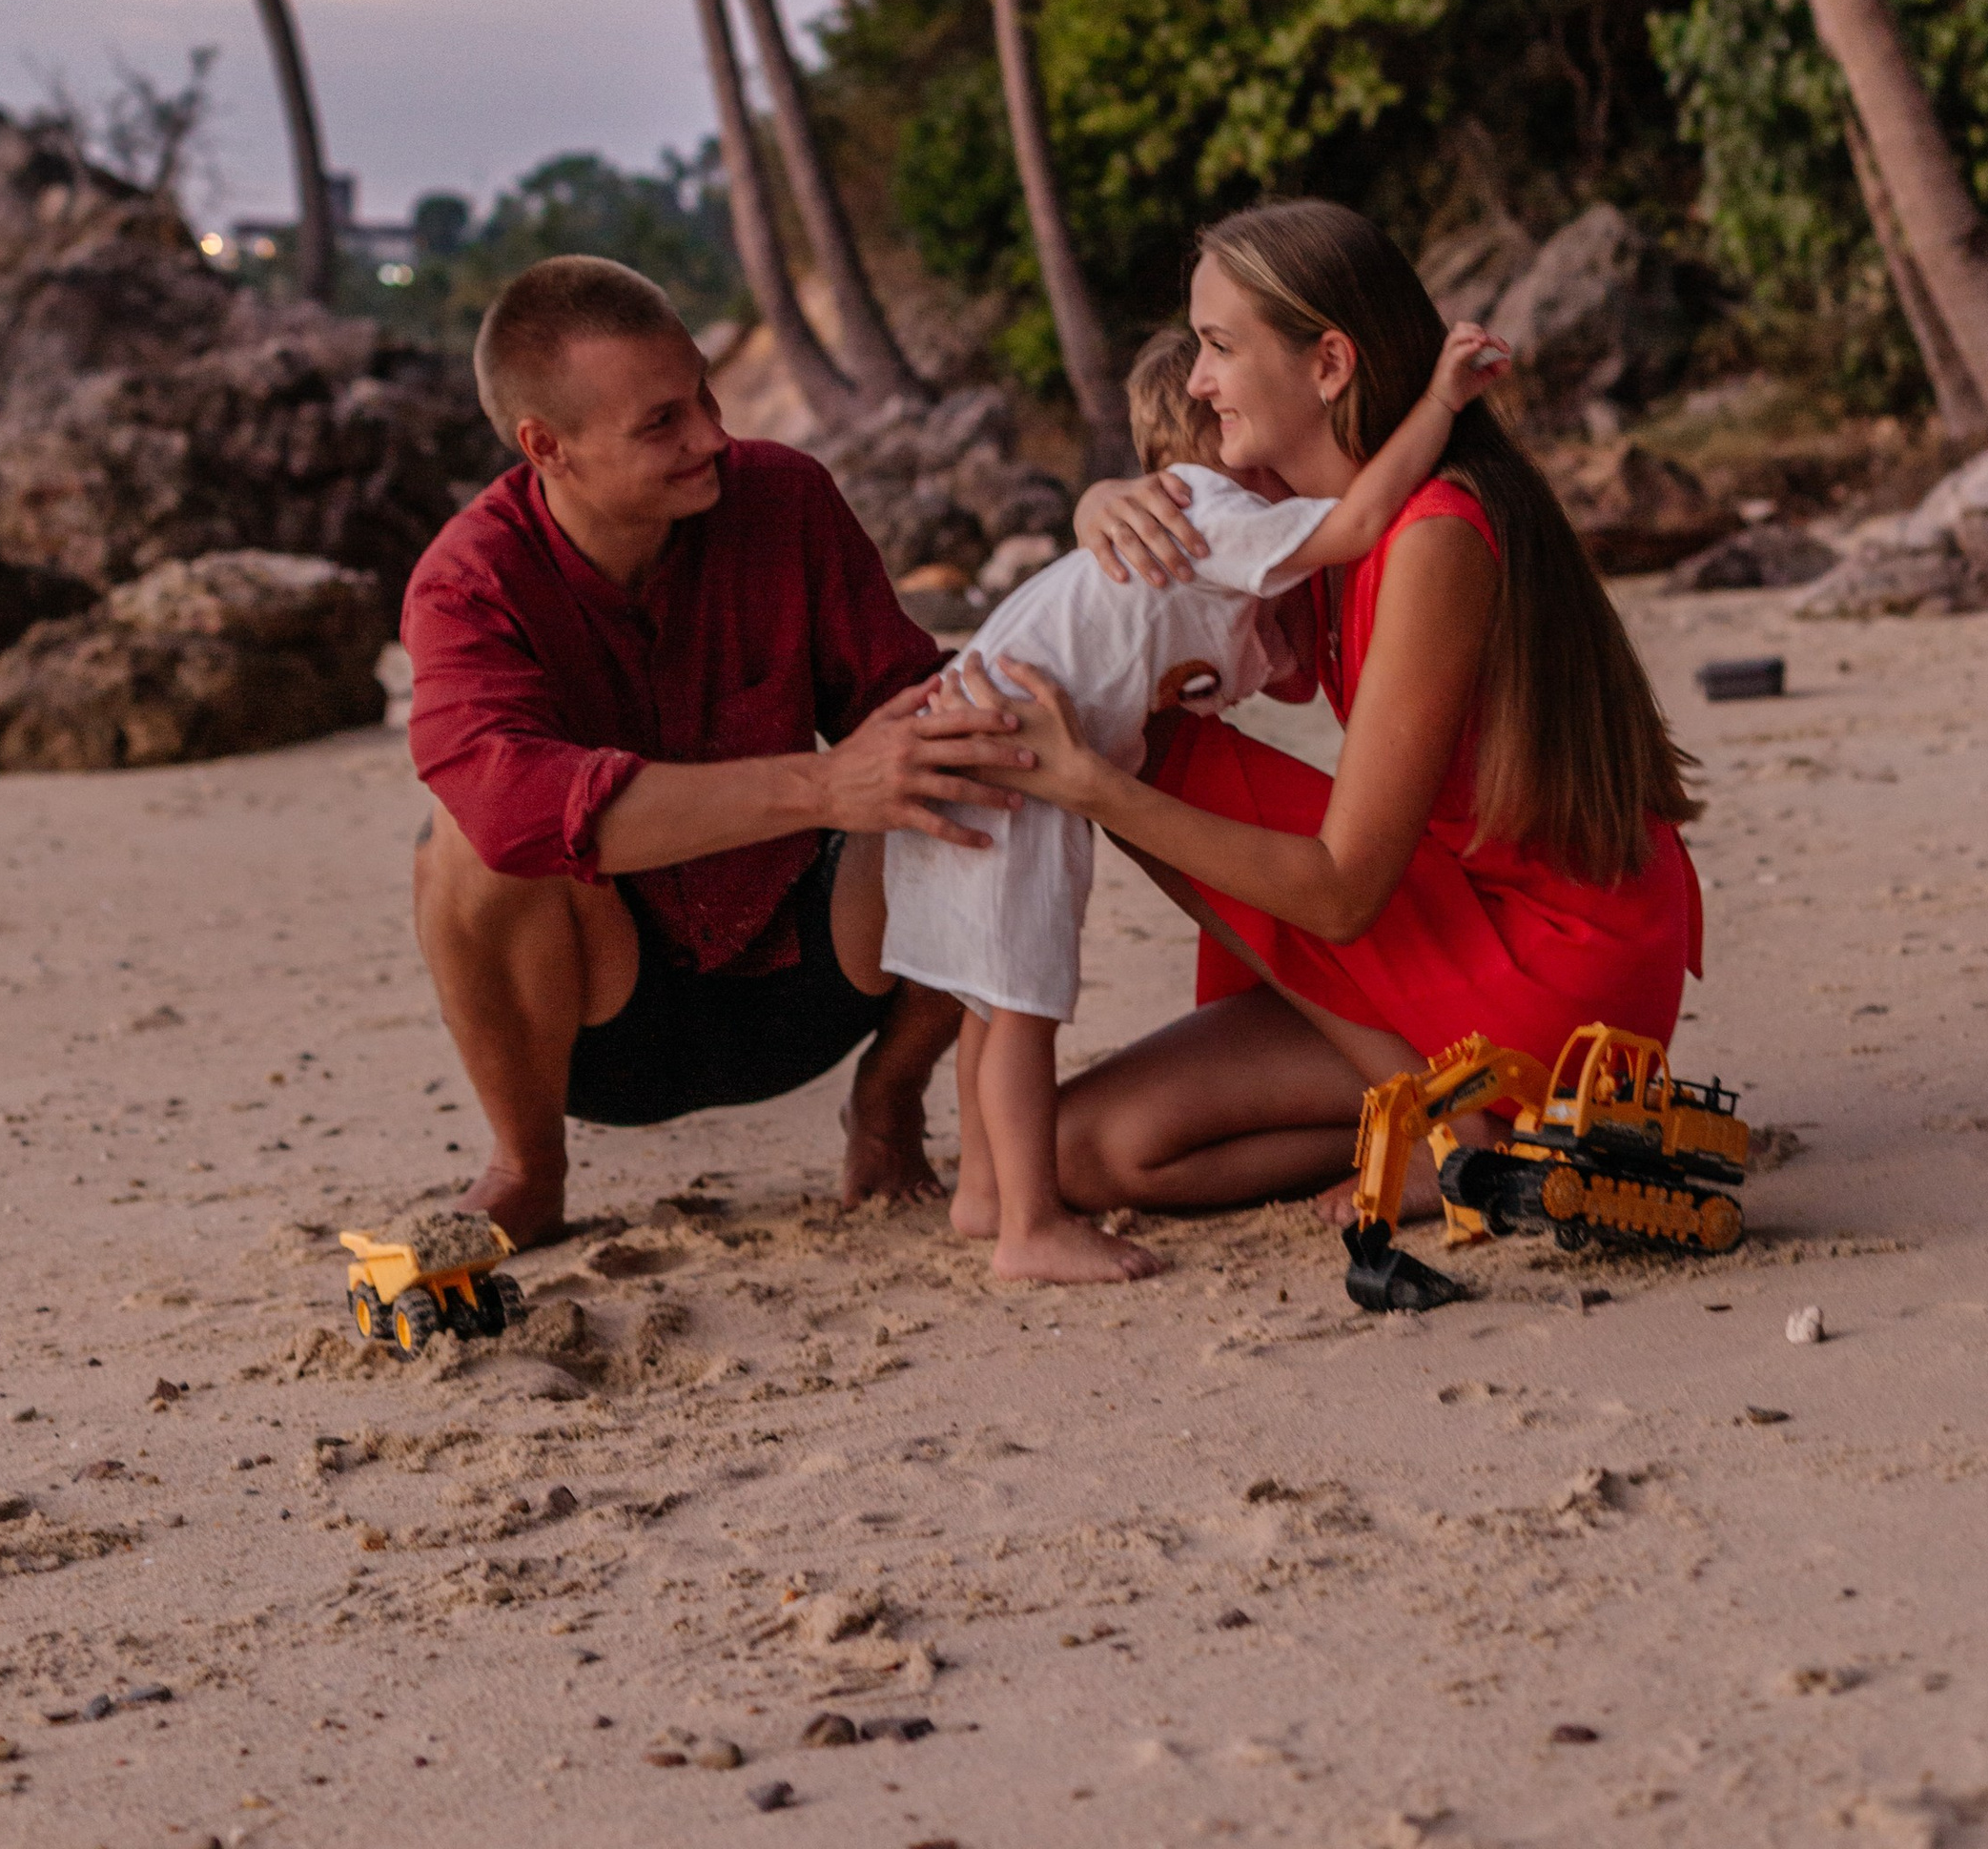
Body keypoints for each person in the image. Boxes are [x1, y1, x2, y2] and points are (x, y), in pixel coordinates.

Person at [981, 199, 1703, 1222]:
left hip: (1550, 968)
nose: (1196, 379)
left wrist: (1091, 785)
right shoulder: (1303, 528)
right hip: (1456, 918)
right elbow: (1173, 596)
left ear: (1327, 365)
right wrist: (1100, 504)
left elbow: (1340, 894)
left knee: (1139, 752)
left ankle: (1459, 1118)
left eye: (1220, 347)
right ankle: (1462, 1124)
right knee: (1094, 1154)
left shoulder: (1432, 539)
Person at [851, 309, 1511, 1284]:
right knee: (1024, 1000)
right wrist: (1440, 402)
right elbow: (1361, 522)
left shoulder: (1172, 529)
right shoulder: (1213, 510)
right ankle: (1025, 1225)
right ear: (1223, 449)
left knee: (991, 999)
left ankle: (987, 1190)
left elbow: (1273, 669)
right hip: (1014, 758)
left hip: (969, 736)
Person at [400, 255, 1027, 1245]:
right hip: (599, 1030)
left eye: (702, 391)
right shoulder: (468, 582)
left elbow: (904, 699)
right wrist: (823, 784)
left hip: (816, 978)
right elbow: (514, 806)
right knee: (467, 842)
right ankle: (526, 1168)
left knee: (977, 755)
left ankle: (889, 1100)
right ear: (545, 446)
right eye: (662, 423)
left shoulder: (782, 498)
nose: (712, 436)